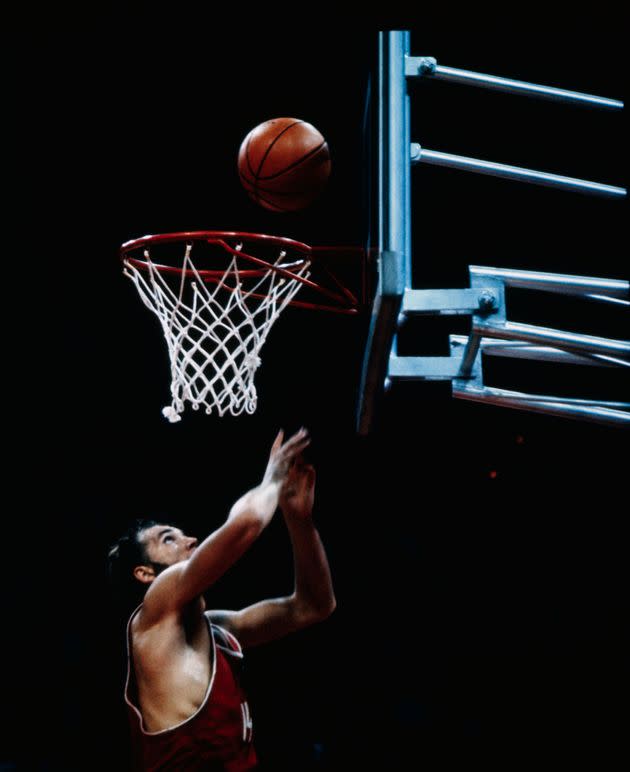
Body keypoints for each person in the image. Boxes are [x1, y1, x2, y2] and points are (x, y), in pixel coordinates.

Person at [107, 428, 336, 771]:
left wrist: (298, 519)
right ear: (145, 574)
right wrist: (272, 477)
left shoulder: (218, 631)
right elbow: (247, 523)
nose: (191, 539)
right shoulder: (151, 616)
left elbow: (314, 605)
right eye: (169, 539)